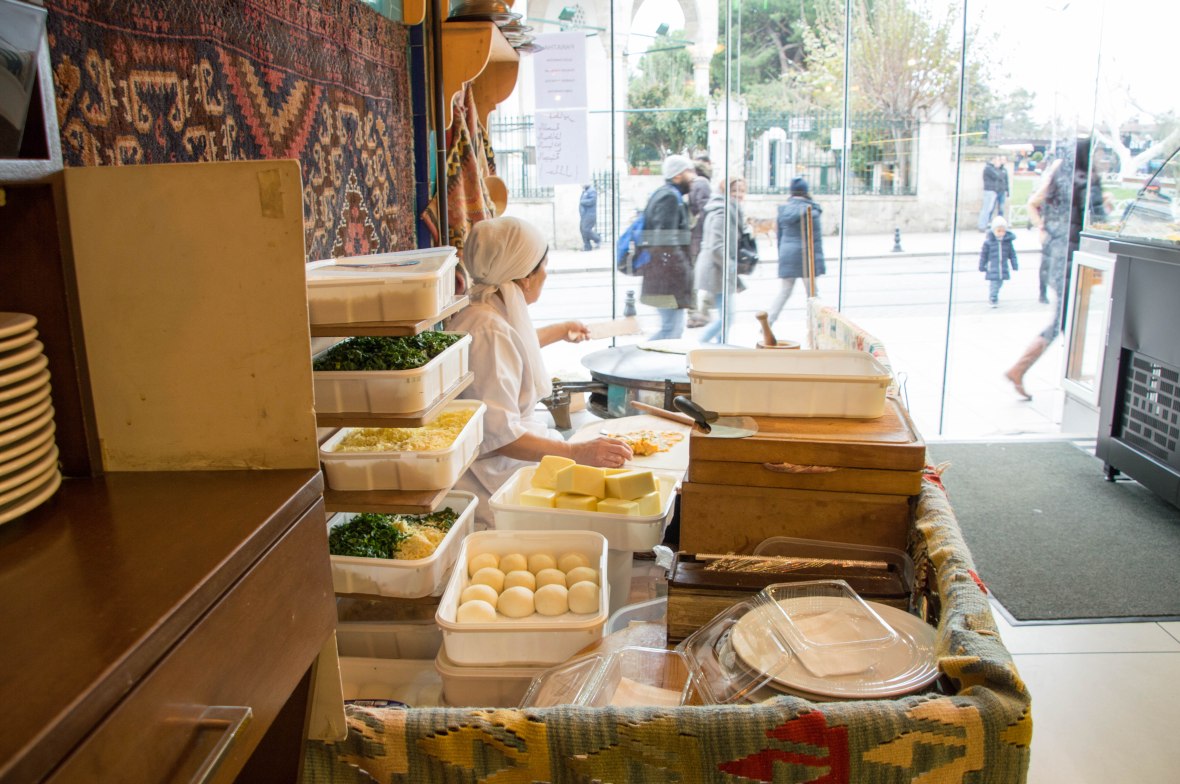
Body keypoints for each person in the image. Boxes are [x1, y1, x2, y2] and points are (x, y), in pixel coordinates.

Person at [448, 216, 633, 526]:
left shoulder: (485, 313)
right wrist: (576, 452)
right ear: (525, 279)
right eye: (543, 265)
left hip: (501, 465)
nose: (547, 274)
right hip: (493, 482)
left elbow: (514, 349)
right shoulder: (489, 332)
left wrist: (560, 330)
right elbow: (501, 436)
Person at [1005, 139, 1089, 400]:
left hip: (1057, 256)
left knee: (1067, 320)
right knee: (1066, 321)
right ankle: (1023, 369)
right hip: (1070, 258)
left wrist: (1044, 229)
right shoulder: (1081, 179)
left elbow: (1034, 201)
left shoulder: (1059, 175)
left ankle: (1072, 377)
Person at [639, 154, 696, 340]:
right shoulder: (669, 198)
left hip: (666, 276)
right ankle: (639, 360)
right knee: (671, 330)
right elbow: (665, 241)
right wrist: (682, 267)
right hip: (667, 278)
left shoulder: (669, 195)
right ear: (677, 175)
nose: (693, 177)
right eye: (689, 171)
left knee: (673, 329)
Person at [695, 176, 748, 343]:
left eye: (742, 190)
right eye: (734, 190)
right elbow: (716, 247)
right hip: (717, 272)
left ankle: (720, 348)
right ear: (725, 191)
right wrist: (732, 267)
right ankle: (697, 347)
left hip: (718, 270)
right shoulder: (722, 212)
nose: (739, 194)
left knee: (725, 317)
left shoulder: (729, 209)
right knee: (727, 318)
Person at [767, 177, 825, 327]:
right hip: (807, 256)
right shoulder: (812, 211)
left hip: (788, 254)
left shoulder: (784, 210)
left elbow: (779, 237)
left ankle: (768, 322)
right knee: (812, 295)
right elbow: (816, 240)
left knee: (784, 292)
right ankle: (817, 325)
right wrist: (819, 264)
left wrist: (782, 256)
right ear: (806, 192)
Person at [686, 155, 714, 328]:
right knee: (704, 277)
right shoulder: (702, 183)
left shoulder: (694, 184)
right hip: (699, 238)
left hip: (693, 238)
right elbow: (705, 210)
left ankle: (695, 313)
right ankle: (699, 313)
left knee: (694, 278)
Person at [979, 214, 1018, 307]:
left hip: (1003, 268)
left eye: (1003, 231)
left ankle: (994, 294)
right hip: (993, 267)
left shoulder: (1007, 242)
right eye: (998, 231)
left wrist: (1014, 264)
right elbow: (983, 255)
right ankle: (993, 298)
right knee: (994, 283)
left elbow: (1012, 254)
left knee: (1000, 283)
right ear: (993, 231)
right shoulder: (988, 242)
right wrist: (982, 265)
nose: (1001, 233)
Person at [977, 155, 1001, 231]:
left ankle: (984, 224)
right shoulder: (989, 168)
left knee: (989, 209)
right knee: (986, 209)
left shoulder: (991, 168)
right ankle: (982, 225)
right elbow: (997, 176)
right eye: (997, 160)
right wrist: (997, 168)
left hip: (992, 190)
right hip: (989, 190)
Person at [578, 184, 601, 251]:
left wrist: (582, 202)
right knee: (582, 230)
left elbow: (592, 201)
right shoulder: (585, 191)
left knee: (586, 229)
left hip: (590, 214)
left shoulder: (592, 191)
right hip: (584, 215)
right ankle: (587, 246)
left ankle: (597, 239)